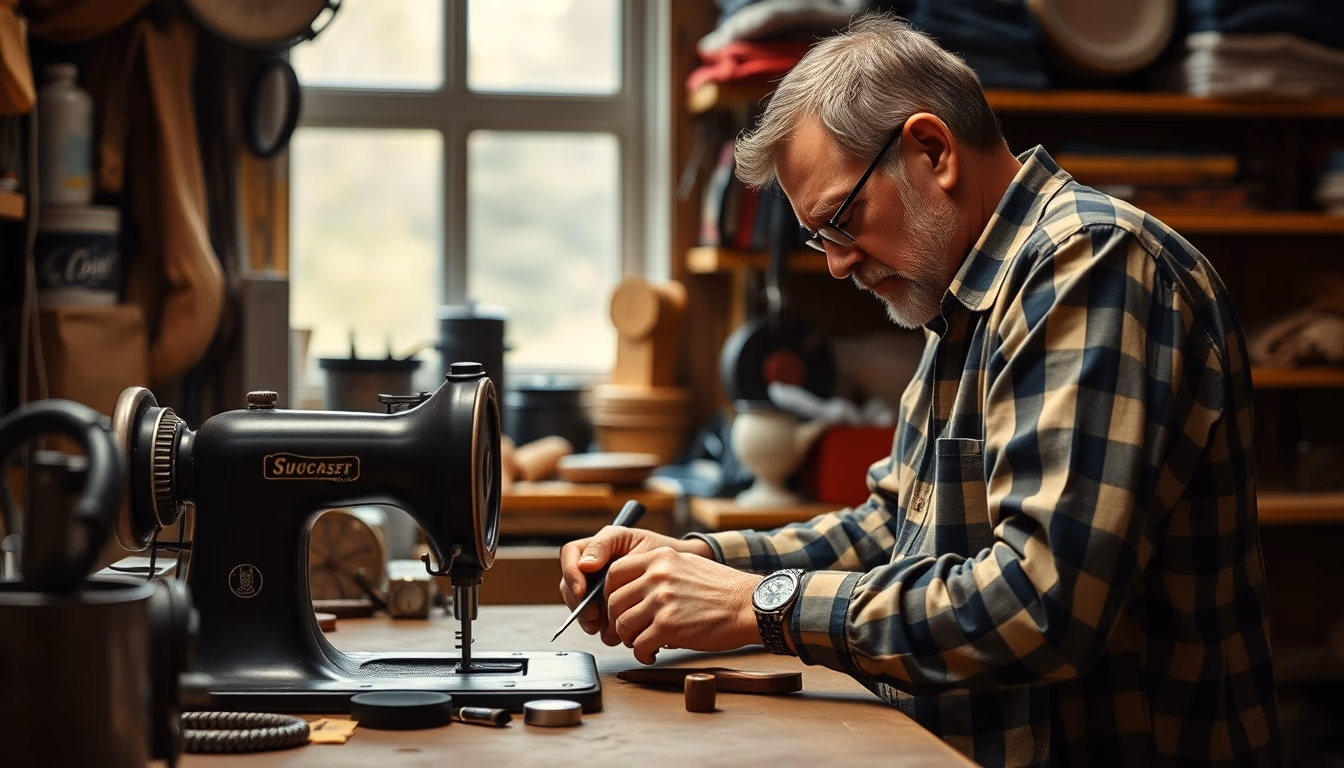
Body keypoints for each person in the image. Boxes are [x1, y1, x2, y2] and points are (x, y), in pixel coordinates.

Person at [559, 13, 1280, 768]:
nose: (837, 265)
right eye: (820, 237)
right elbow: (890, 529)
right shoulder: (964, 300)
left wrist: (755, 605)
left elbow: (1039, 604)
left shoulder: (1091, 266)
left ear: (931, 150)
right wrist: (694, 563)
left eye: (842, 219)